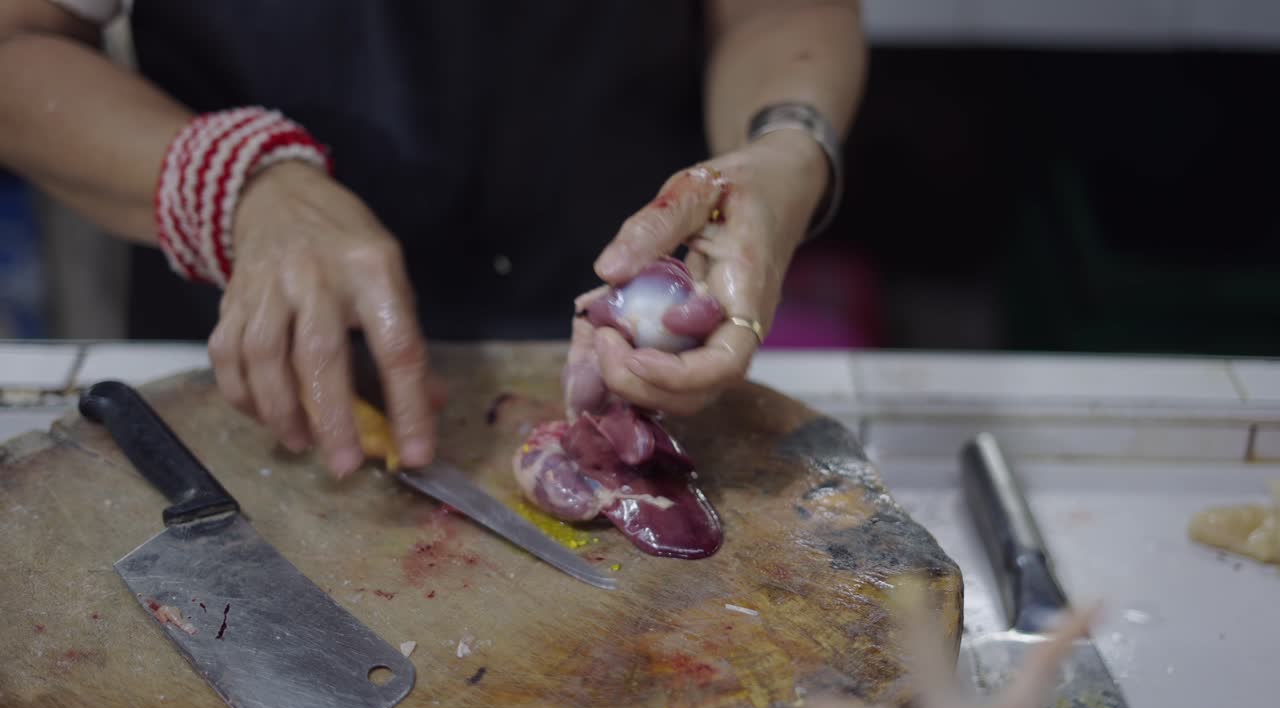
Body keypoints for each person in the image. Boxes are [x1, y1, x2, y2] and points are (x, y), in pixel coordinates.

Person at [0, 1, 866, 478]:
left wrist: (783, 146)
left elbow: (778, 12)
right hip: (246, 392)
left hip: (620, 350)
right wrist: (234, 183)